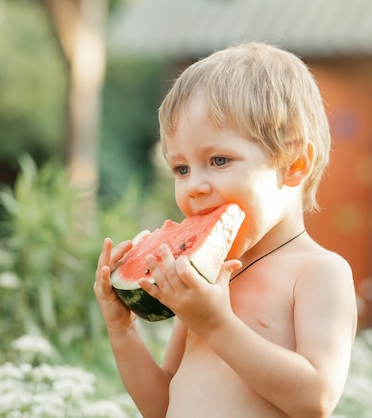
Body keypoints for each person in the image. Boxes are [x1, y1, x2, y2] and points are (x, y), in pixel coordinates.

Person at [94, 41, 357, 418]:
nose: (194, 186)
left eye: (218, 160)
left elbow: (315, 398)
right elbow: (162, 407)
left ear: (294, 164)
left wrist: (216, 324)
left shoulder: (319, 272)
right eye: (181, 169)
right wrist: (123, 331)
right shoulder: (205, 279)